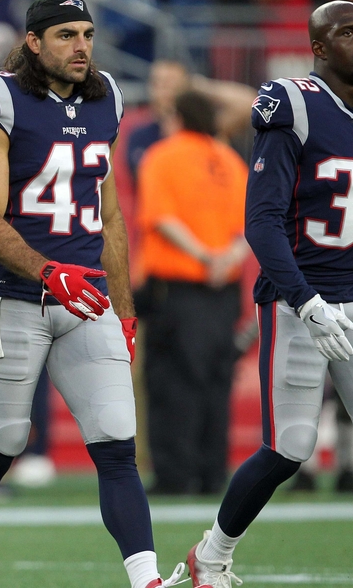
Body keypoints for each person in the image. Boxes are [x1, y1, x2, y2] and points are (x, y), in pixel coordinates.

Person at [184, 1, 353, 588]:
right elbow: (262, 223)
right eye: (347, 33)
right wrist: (305, 300)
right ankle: (212, 553)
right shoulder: (293, 105)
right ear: (319, 48)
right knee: (290, 447)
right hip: (299, 299)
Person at [0, 0, 183, 588]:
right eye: (65, 35)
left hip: (90, 300)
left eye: (87, 34)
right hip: (16, 294)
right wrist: (49, 272)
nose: (81, 46)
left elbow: (109, 217)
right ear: (33, 41)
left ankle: (146, 578)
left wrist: (124, 307)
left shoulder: (107, 98)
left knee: (116, 444)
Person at [137, 90, 249, 495]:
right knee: (216, 382)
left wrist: (204, 256)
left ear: (179, 118)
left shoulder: (163, 156)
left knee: (171, 383)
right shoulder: (229, 160)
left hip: (179, 288)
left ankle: (174, 475)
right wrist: (225, 259)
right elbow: (248, 225)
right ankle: (211, 473)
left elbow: (162, 219)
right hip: (224, 290)